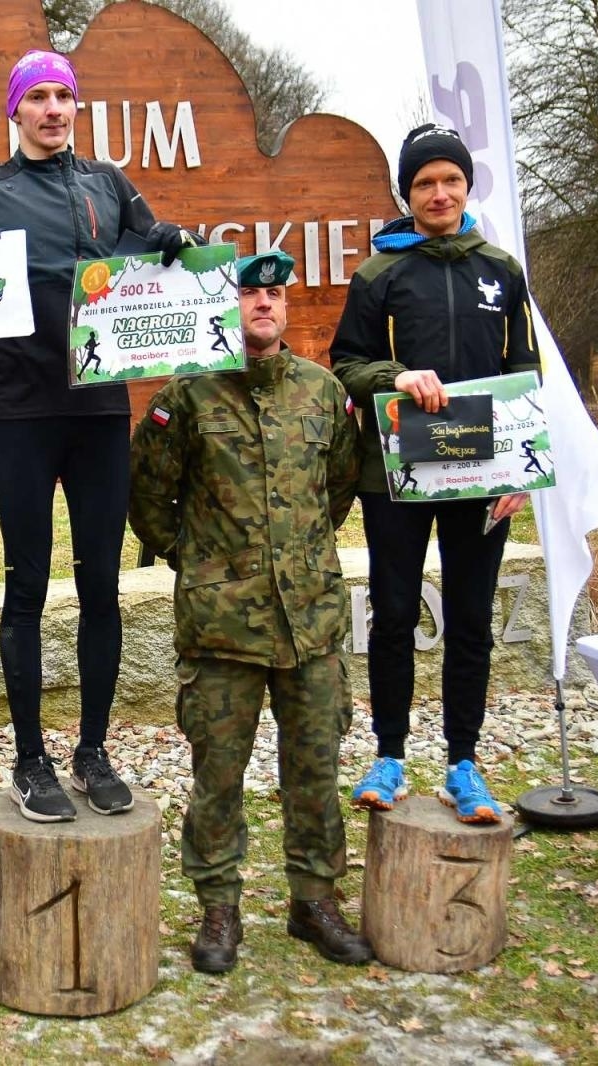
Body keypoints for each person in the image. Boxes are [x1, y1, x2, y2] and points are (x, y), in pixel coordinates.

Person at [0, 49, 198, 822]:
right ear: (15, 111)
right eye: (36, 97)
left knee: (101, 584)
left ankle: (94, 750)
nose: (51, 109)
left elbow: (156, 251)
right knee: (30, 589)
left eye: (63, 96)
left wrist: (172, 242)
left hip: (102, 412)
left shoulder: (108, 183)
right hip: (26, 413)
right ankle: (31, 760)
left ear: (76, 106)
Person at [129, 252, 373, 974]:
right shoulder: (190, 393)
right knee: (219, 774)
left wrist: (294, 560)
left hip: (312, 621)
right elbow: (147, 495)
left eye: (273, 294)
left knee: (315, 767)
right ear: (225, 305)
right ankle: (218, 906)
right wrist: (195, 558)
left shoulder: (323, 392)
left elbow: (339, 487)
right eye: (248, 294)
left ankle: (314, 900)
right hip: (222, 628)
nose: (263, 305)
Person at [330, 124, 541, 824]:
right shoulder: (378, 274)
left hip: (482, 470)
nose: (439, 192)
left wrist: (522, 466)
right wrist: (397, 375)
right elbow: (346, 365)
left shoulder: (502, 270)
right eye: (424, 182)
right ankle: (389, 754)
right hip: (396, 472)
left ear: (466, 187)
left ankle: (463, 763)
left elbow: (524, 371)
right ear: (407, 193)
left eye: (450, 179)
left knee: (472, 619)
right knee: (392, 615)